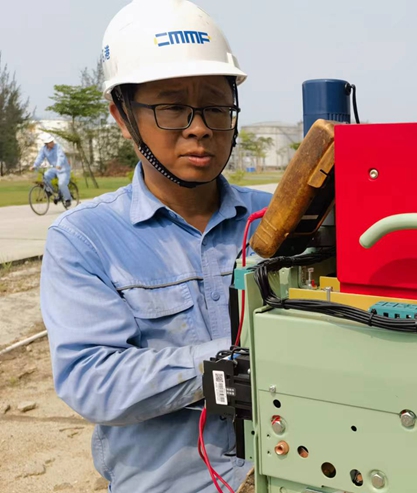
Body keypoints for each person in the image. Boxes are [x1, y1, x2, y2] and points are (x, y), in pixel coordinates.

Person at [40, 1, 271, 491]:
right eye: (171, 108)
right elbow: (92, 380)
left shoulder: (278, 222)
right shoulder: (86, 238)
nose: (199, 127)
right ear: (123, 117)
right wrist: (230, 363)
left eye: (215, 107)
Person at [32, 134, 72, 207]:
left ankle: (67, 199)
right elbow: (40, 158)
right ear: (46, 144)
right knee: (46, 176)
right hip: (54, 168)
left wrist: (59, 164)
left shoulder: (58, 147)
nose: (52, 143)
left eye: (52, 141)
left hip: (63, 168)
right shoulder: (44, 149)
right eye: (50, 142)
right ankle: (50, 191)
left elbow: (61, 156)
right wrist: (34, 166)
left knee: (61, 183)